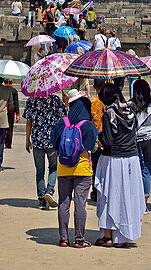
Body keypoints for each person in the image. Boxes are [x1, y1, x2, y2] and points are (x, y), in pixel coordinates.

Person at [93, 83, 144, 247]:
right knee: (126, 197)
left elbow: (107, 141)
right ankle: (122, 236)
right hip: (131, 159)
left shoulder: (109, 113)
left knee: (109, 197)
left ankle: (108, 235)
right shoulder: (131, 110)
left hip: (113, 160)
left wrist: (99, 135)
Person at [52, 89, 98, 248]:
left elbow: (54, 144)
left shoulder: (62, 123)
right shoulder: (88, 125)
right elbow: (93, 147)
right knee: (80, 205)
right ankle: (79, 239)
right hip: (83, 169)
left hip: (63, 169)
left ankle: (64, 238)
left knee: (63, 204)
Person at [23, 92, 66, 209]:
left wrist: (27, 139)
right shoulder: (56, 100)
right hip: (52, 140)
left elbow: (29, 122)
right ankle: (50, 191)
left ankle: (41, 198)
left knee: (40, 170)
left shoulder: (31, 101)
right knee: (53, 167)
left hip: (37, 140)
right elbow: (63, 118)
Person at [131, 78, 151, 209]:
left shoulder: (129, 105)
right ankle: (144, 201)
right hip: (150, 142)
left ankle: (134, 200)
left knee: (133, 172)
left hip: (133, 142)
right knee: (146, 172)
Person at [4, 79, 20, 148]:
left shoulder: (2, 90)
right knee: (10, 127)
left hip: (3, 109)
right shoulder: (14, 90)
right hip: (11, 110)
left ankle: (1, 142)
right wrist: (18, 114)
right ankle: (8, 144)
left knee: (2, 127)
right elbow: (16, 103)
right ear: (12, 82)